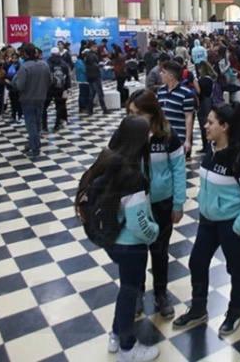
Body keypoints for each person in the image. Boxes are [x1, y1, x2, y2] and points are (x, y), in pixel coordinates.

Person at [173, 103, 240, 336]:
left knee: (235, 268)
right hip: (208, 220)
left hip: (232, 224)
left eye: (210, 122)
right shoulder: (212, 150)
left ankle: (235, 311)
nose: (205, 126)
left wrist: (237, 228)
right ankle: (198, 308)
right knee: (197, 262)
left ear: (225, 127)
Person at [78, 116, 160, 362]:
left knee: (125, 289)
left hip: (111, 240)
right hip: (131, 245)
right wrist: (154, 233)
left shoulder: (107, 161)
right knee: (129, 293)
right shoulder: (133, 177)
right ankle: (127, 347)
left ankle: (116, 333)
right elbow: (138, 223)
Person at [126, 90, 186, 319]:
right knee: (136, 251)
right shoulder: (127, 134)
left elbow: (178, 170)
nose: (134, 118)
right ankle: (137, 293)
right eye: (130, 113)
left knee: (160, 251)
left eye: (139, 113)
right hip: (135, 203)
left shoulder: (168, 135)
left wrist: (178, 204)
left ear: (152, 113)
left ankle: (161, 292)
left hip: (162, 203)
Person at [13, 44, 52, 157]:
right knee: (38, 122)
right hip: (41, 97)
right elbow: (50, 81)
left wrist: (15, 79)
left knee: (31, 124)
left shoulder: (24, 67)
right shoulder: (44, 65)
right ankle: (35, 143)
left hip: (27, 98)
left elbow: (20, 85)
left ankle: (35, 149)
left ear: (25, 54)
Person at [156, 61, 194, 159]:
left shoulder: (186, 93)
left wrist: (188, 140)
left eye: (163, 72)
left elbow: (189, 117)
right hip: (162, 136)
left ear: (171, 76)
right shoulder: (160, 91)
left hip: (178, 136)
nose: (160, 74)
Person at [46, 47, 70, 131]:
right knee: (59, 106)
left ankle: (44, 126)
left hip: (49, 89)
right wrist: (68, 87)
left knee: (44, 107)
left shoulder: (47, 64)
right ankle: (57, 124)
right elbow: (67, 76)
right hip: (60, 88)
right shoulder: (63, 64)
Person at [195, 60, 216, 153]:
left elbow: (200, 92)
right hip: (210, 102)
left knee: (203, 124)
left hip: (204, 104)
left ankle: (206, 146)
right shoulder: (211, 78)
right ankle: (209, 145)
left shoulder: (203, 80)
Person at [84, 42, 109, 115]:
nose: (96, 48)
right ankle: (104, 109)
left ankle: (90, 110)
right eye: (94, 47)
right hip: (95, 76)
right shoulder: (92, 55)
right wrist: (101, 65)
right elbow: (94, 65)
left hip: (90, 76)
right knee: (100, 93)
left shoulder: (88, 55)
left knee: (92, 94)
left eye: (96, 47)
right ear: (91, 47)